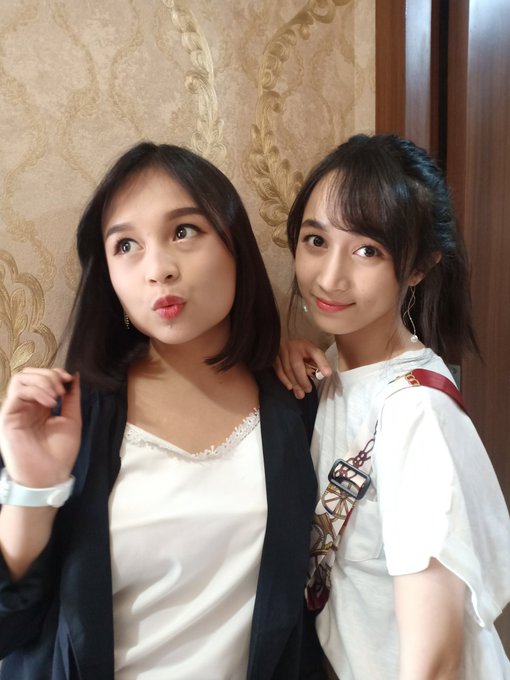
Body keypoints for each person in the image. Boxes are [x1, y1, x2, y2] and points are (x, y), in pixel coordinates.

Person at [0, 142, 322, 680]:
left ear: (235, 244)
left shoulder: (297, 404)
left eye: (184, 231)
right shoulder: (66, 419)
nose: (158, 270)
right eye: (125, 245)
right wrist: (33, 488)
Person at [275, 133, 510, 679]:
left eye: (368, 251)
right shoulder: (334, 372)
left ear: (419, 267)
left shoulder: (415, 411)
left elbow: (434, 662)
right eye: (316, 240)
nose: (330, 276)